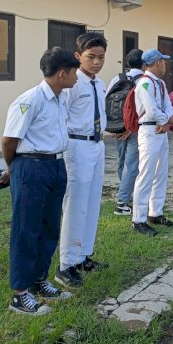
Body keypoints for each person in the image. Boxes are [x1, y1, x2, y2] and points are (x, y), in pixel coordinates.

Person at [0, 47, 79, 315]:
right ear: (61, 73)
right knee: (26, 229)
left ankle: (39, 280)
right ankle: (20, 294)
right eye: (74, 72)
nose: (76, 77)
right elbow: (9, 140)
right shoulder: (30, 100)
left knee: (49, 227)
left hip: (55, 165)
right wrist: (14, 167)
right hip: (31, 167)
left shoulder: (60, 98)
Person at [56, 33, 109, 289]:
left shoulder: (99, 83)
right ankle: (66, 264)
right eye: (91, 57)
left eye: (101, 57)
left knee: (91, 203)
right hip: (76, 145)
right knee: (76, 204)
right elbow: (61, 116)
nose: (97, 62)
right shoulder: (72, 84)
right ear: (78, 56)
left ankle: (83, 254)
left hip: (97, 144)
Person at [131, 49, 173, 236]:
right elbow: (150, 111)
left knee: (161, 172)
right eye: (163, 62)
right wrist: (168, 120)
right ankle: (138, 218)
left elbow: (167, 105)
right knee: (146, 174)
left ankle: (155, 212)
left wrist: (166, 121)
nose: (165, 65)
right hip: (150, 130)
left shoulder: (160, 84)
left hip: (161, 129)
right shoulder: (144, 83)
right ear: (157, 62)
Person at [106, 48, 144, 216]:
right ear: (144, 63)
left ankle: (125, 194)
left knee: (122, 162)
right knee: (132, 164)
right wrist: (131, 127)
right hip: (134, 128)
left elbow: (107, 100)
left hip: (117, 127)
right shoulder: (143, 80)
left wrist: (113, 125)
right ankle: (122, 201)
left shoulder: (117, 78)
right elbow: (142, 108)